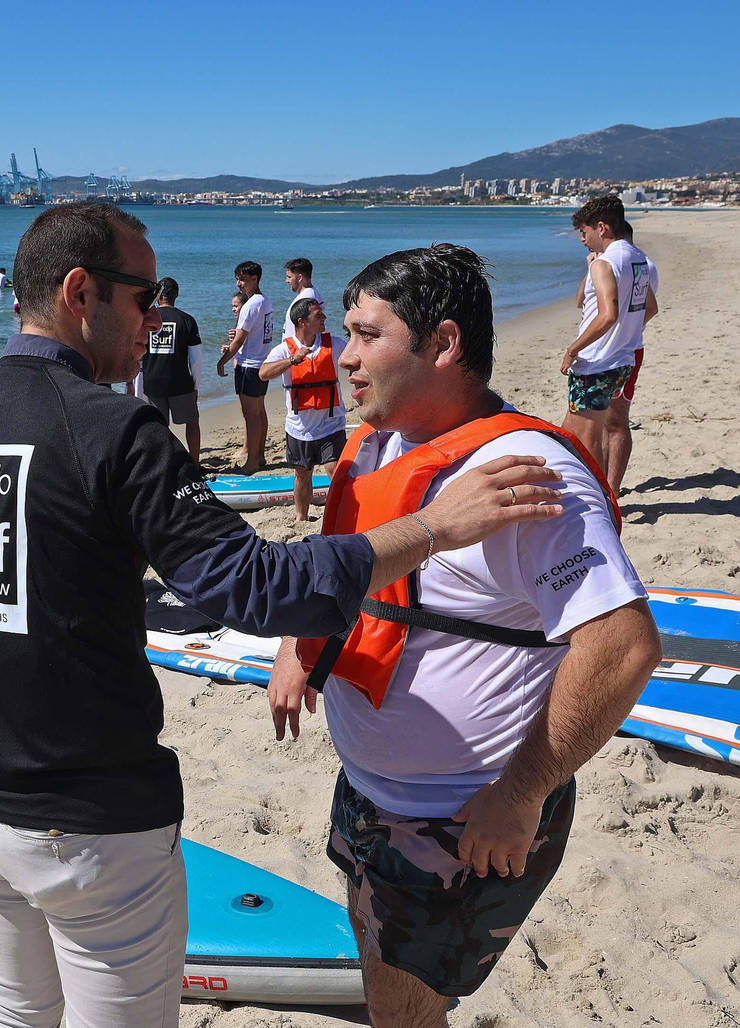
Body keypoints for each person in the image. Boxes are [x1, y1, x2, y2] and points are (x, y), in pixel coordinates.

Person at [0, 203, 566, 1027]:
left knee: (16, 1006)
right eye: (144, 298)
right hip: (85, 823)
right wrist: (433, 528)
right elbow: (254, 587)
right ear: (80, 292)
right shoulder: (115, 429)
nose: (157, 317)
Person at [267, 244, 661, 1027]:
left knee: (401, 1013)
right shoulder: (381, 442)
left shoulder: (525, 475)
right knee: (386, 978)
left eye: (367, 336)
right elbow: (349, 570)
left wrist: (519, 796)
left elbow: (623, 648)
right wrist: (297, 648)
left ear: (443, 344)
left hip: (466, 820)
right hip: (372, 796)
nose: (344, 358)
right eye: (345, 332)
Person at [559, 196, 649, 483]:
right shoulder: (639, 259)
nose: (583, 240)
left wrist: (574, 348)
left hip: (596, 363)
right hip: (622, 361)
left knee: (589, 443)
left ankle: (602, 504)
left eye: (584, 233)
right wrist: (626, 333)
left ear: (601, 227)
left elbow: (608, 314)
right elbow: (648, 307)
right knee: (569, 433)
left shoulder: (604, 263)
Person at [258, 296, 346, 521]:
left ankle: (337, 515)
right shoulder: (285, 349)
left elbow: (356, 357)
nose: (324, 318)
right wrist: (293, 360)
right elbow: (263, 373)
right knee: (302, 474)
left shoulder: (333, 343)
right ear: (302, 322)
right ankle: (301, 517)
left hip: (331, 422)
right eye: (318, 315)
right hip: (300, 428)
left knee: (334, 469)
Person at [602, 222, 659, 491]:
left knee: (615, 419)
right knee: (603, 419)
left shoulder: (639, 267)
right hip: (617, 347)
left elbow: (649, 307)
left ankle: (612, 488)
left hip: (625, 349)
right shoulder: (612, 264)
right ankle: (604, 484)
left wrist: (628, 331)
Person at [218, 261, 274, 474]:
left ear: (255, 279)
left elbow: (240, 340)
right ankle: (259, 456)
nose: (238, 283)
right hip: (261, 363)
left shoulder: (251, 305)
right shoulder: (265, 301)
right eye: (237, 278)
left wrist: (222, 361)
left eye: (242, 279)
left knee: (252, 415)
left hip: (250, 366)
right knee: (259, 412)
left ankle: (252, 462)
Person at [142, 276, 203, 457]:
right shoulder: (187, 320)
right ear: (176, 295)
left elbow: (136, 352)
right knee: (192, 422)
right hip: (180, 383)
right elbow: (196, 359)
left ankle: (163, 462)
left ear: (158, 297)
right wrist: (196, 386)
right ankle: (194, 463)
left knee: (158, 426)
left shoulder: (146, 319)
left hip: (153, 382)